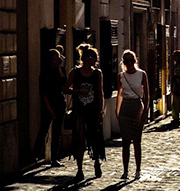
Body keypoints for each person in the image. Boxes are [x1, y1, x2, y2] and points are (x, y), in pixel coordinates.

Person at [63, 44, 105, 182]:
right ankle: (80, 169)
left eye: (94, 57)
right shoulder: (75, 72)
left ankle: (97, 162)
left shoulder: (97, 73)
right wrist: (79, 91)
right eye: (90, 57)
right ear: (84, 58)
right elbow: (65, 89)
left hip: (93, 110)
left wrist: (101, 111)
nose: (92, 59)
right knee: (79, 139)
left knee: (94, 138)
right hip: (79, 110)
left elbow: (100, 93)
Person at [115, 50, 149, 180]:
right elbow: (119, 94)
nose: (129, 64)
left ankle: (138, 169)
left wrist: (145, 112)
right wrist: (116, 111)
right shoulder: (121, 76)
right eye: (126, 61)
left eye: (131, 61)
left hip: (136, 108)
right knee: (125, 141)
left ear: (135, 61)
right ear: (123, 63)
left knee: (137, 141)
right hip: (125, 108)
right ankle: (125, 171)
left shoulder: (142, 74)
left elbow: (147, 95)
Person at [33, 49, 67, 167]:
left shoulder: (60, 71)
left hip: (60, 103)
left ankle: (54, 158)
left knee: (57, 132)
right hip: (49, 104)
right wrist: (50, 110)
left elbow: (64, 82)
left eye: (58, 58)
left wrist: (59, 68)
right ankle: (35, 154)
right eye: (55, 58)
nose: (57, 60)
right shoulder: (45, 73)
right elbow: (44, 94)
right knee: (44, 129)